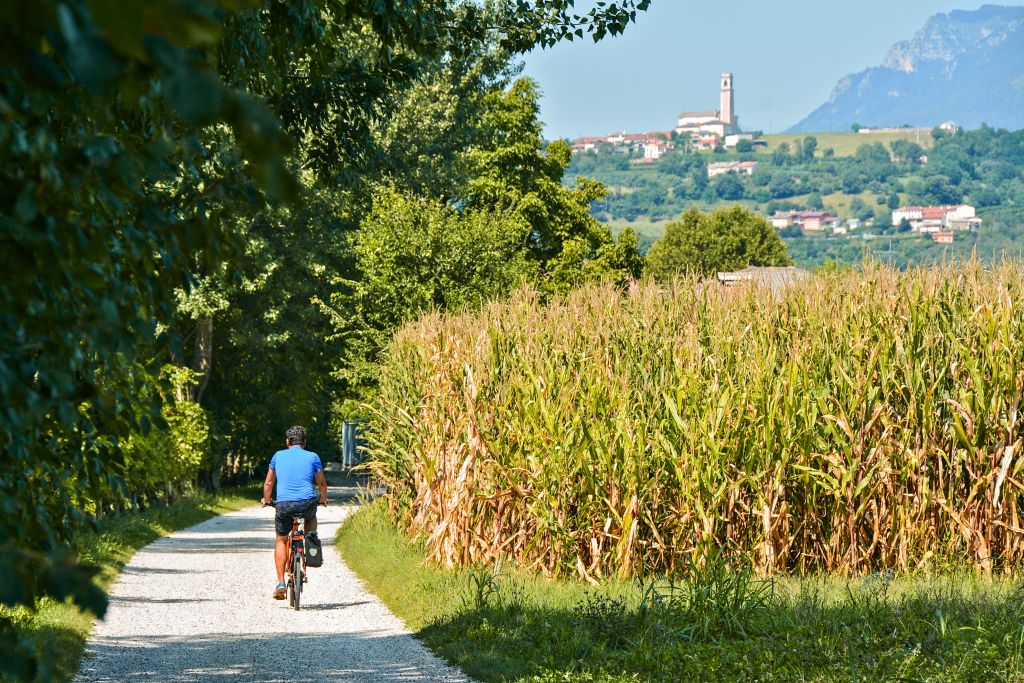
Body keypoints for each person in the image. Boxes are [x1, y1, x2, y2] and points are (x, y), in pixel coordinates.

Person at [261, 425, 327, 599]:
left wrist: (267, 500)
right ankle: (310, 536)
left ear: (287, 442)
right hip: (306, 503)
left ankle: (280, 582)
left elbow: (268, 483)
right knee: (311, 515)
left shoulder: (278, 456)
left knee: (281, 540)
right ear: (304, 442)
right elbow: (321, 484)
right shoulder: (313, 456)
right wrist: (322, 499)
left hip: (284, 505)